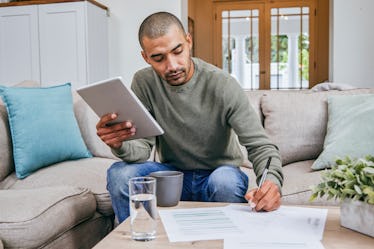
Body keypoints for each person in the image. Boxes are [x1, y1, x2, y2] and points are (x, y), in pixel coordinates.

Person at [96, 11, 283, 223]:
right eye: (158, 58)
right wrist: (120, 143)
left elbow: (261, 147)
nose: (172, 65)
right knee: (119, 175)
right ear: (145, 57)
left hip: (218, 174)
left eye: (178, 51)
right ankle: (135, 242)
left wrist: (272, 182)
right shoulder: (143, 83)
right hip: (171, 178)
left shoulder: (222, 84)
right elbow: (141, 150)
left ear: (188, 41)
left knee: (225, 182)